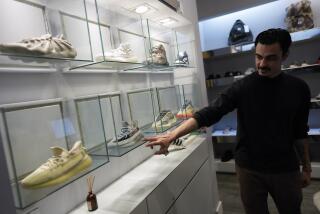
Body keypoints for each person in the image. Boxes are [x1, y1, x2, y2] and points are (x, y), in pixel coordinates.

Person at [145, 28, 312, 214]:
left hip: (285, 169)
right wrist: (172, 135)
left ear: (285, 55)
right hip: (249, 169)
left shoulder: (299, 89)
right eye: (258, 57)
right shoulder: (243, 87)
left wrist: (306, 168)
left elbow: (299, 131)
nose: (262, 64)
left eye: (270, 58)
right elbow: (210, 112)